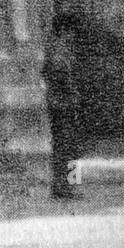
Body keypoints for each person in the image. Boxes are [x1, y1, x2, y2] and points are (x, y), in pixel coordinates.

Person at [42, 13, 83, 199]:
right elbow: (61, 74)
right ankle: (69, 186)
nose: (73, 36)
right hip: (64, 105)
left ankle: (64, 185)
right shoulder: (59, 49)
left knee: (64, 147)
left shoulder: (54, 47)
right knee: (69, 147)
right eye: (71, 32)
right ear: (65, 31)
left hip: (59, 104)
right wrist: (73, 91)